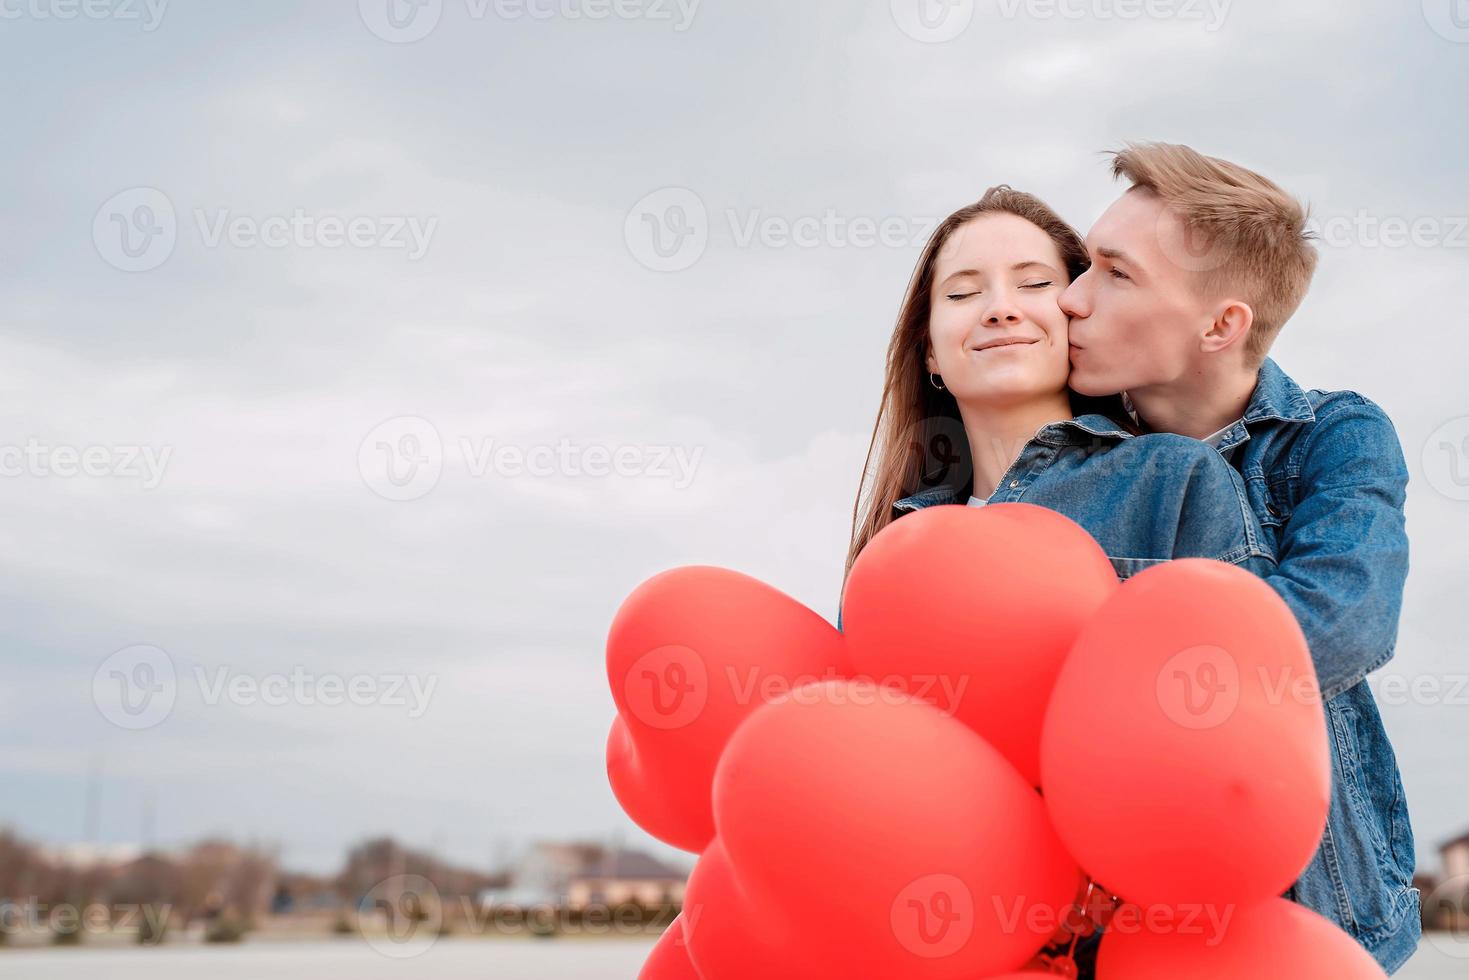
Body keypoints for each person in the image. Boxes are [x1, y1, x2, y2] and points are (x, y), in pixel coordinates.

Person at [1058, 141, 1418, 973]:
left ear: (1221, 326)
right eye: (1084, 264)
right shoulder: (1064, 450)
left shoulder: (1334, 436)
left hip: (1322, 920)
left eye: (1115, 274)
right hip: (1115, 937)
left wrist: (1121, 681)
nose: (1072, 300)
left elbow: (1344, 621)